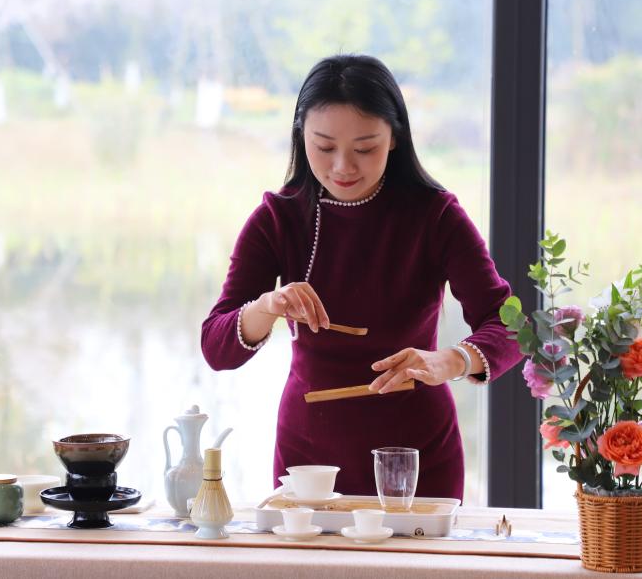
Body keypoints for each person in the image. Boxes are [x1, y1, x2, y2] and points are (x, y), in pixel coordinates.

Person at [200, 54, 520, 499]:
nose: (343, 167)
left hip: (417, 455)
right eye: (324, 147)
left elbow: (511, 326)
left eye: (365, 148)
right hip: (309, 459)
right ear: (300, 135)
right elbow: (216, 349)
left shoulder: (436, 216)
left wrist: (448, 361)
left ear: (394, 138)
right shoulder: (277, 219)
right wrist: (268, 306)